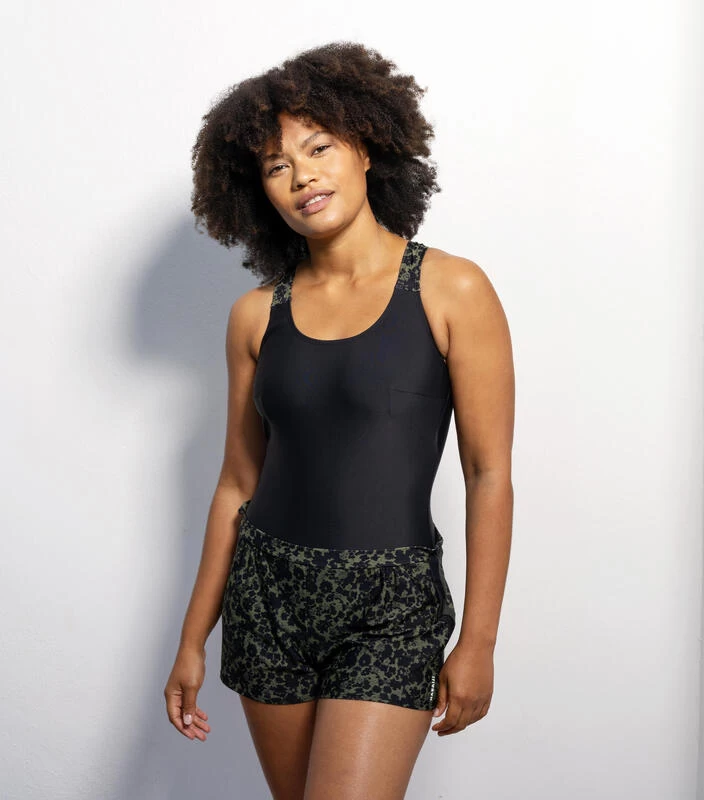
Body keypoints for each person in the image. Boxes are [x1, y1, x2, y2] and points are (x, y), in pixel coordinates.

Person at [164, 41, 514, 800]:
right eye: (276, 165)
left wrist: (479, 640)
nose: (302, 176)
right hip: (267, 597)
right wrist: (192, 639)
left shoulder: (452, 289)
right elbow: (237, 484)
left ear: (367, 145)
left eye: (318, 147)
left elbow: (488, 474)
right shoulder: (255, 316)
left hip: (392, 605)